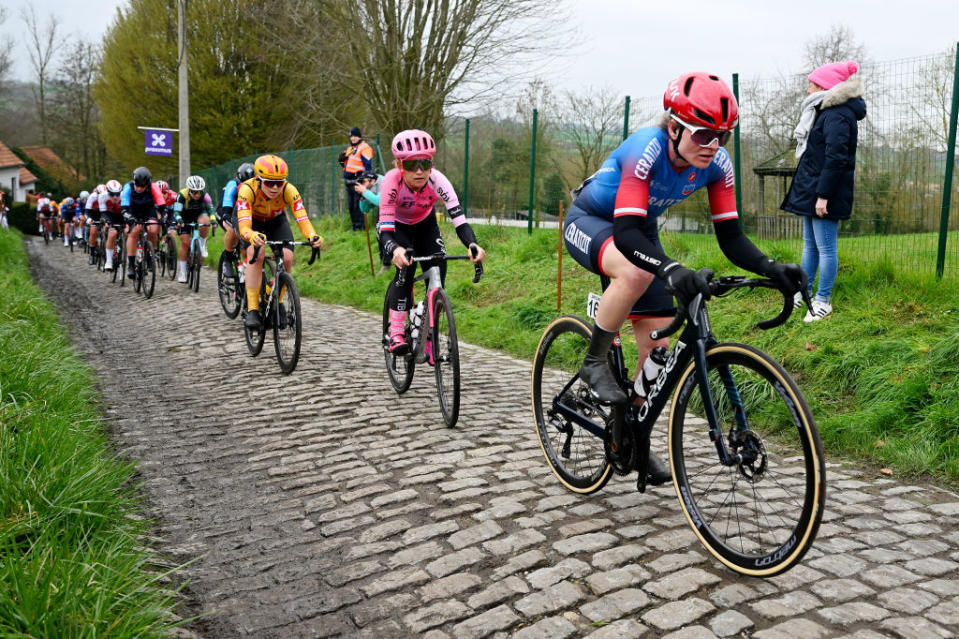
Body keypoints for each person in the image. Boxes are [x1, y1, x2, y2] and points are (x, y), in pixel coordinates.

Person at [563, 72, 806, 483]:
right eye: (703, 134)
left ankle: (630, 440)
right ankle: (593, 361)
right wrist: (672, 269)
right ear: (674, 127)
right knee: (638, 271)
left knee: (656, 350)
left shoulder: (717, 165)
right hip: (593, 220)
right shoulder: (646, 149)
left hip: (638, 226)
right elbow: (623, 235)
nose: (713, 146)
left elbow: (730, 236)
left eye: (723, 137)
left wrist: (770, 267)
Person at [379, 129, 486, 355]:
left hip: (425, 224)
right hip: (397, 227)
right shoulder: (391, 182)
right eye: (411, 165)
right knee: (405, 269)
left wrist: (472, 244)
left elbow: (460, 221)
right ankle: (396, 332)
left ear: (431, 164)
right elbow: (385, 231)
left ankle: (426, 330)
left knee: (439, 268)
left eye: (425, 163)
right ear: (399, 165)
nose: (419, 171)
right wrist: (396, 250)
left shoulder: (438, 181)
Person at [782, 60, 865, 323]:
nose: (808, 91)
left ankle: (823, 301)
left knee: (826, 249)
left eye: (812, 85)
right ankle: (803, 293)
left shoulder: (838, 115)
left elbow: (836, 158)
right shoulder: (825, 111)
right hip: (813, 190)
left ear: (825, 87)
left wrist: (824, 195)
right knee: (810, 246)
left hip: (824, 194)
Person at [236, 154, 323, 329]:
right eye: (269, 182)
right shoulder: (247, 189)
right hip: (252, 222)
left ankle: (277, 299)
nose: (275, 187)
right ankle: (253, 309)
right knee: (256, 254)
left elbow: (302, 218)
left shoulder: (289, 190)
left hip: (276, 221)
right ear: (258, 180)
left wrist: (312, 236)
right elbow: (244, 226)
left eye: (280, 182)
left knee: (287, 257)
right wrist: (251, 235)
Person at [120, 167, 166, 280]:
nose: (139, 188)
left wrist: (163, 217)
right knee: (134, 232)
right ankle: (131, 264)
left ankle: (151, 254)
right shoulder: (128, 187)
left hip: (148, 210)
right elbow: (124, 208)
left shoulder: (153, 186)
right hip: (132, 210)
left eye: (142, 186)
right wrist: (129, 217)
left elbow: (161, 205)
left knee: (153, 229)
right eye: (137, 185)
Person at [172, 175, 215, 282]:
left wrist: (213, 220)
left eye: (199, 192)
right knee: (185, 243)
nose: (197, 194)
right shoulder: (182, 194)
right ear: (189, 190)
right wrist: (179, 219)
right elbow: (176, 210)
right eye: (194, 192)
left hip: (199, 214)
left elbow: (211, 210)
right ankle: (182, 272)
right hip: (184, 217)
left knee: (205, 222)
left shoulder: (205, 195)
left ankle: (203, 245)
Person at [218, 162, 256, 281]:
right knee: (233, 230)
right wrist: (227, 216)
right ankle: (228, 259)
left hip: (244, 213)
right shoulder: (232, 184)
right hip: (226, 210)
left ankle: (244, 275)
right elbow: (227, 203)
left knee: (247, 247)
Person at [354, 171, 391, 273]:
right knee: (380, 233)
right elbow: (364, 210)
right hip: (384, 209)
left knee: (386, 233)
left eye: (363, 181)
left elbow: (380, 201)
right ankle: (383, 261)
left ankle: (387, 264)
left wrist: (365, 192)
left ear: (372, 180)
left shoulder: (384, 182)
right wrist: (362, 197)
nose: (361, 184)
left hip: (396, 208)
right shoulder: (369, 188)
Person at [340, 127, 375, 231]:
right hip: (349, 181)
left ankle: (361, 227)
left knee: (358, 205)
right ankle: (355, 227)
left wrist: (365, 181)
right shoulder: (350, 149)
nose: (353, 138)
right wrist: (342, 163)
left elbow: (367, 166)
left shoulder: (364, 148)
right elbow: (348, 165)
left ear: (359, 136)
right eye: (351, 136)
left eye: (355, 136)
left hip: (358, 180)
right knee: (351, 206)